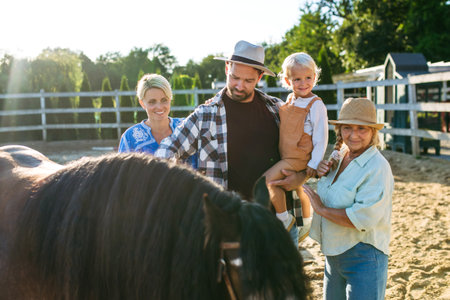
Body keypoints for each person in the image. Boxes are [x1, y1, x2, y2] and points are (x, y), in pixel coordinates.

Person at [155, 40, 306, 245]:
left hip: (277, 222)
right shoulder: (205, 115)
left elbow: (303, 152)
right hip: (230, 225)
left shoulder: (277, 110)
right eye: (234, 77)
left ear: (260, 77)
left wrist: (300, 177)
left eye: (248, 80)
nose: (239, 85)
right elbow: (169, 149)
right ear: (227, 68)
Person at [302, 97, 394, 300]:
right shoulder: (340, 155)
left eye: (362, 129)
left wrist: (321, 208)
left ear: (373, 132)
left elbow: (363, 217)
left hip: (363, 257)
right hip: (333, 254)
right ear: (339, 130)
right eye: (347, 128)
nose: (353, 135)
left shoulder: (377, 167)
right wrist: (321, 173)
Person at [264, 52, 328, 242]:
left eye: (308, 78)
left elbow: (321, 137)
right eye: (297, 79)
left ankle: (284, 219)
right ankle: (306, 223)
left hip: (298, 157)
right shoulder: (290, 101)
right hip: (286, 154)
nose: (303, 83)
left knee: (266, 182)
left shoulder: (315, 105)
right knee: (295, 188)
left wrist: (314, 162)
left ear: (315, 77)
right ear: (287, 80)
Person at [118, 73, 197, 168]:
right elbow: (122, 177)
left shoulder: (187, 127)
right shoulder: (130, 138)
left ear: (170, 99)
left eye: (164, 100)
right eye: (152, 102)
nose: (159, 107)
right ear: (142, 103)